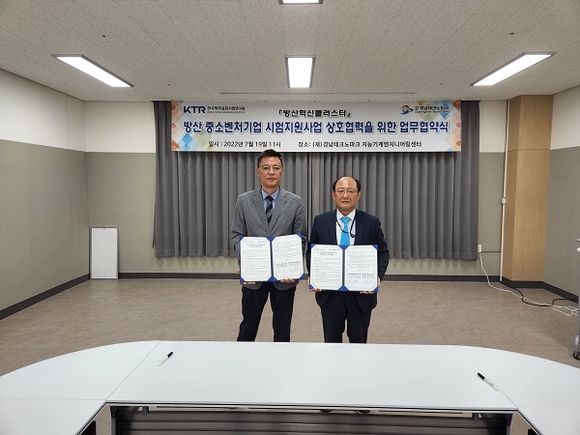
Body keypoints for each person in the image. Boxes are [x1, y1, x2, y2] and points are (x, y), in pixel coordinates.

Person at [231, 149, 306, 342]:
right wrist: (245, 261)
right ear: (258, 171)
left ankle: (281, 360)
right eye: (266, 168)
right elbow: (237, 235)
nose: (271, 172)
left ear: (282, 171)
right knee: (248, 327)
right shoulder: (244, 200)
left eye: (276, 168)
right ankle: (242, 358)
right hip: (254, 278)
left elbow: (301, 238)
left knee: (282, 329)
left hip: (284, 279)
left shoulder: (295, 201)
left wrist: (294, 267)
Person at [307, 176, 389, 343]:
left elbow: (383, 252)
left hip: (361, 294)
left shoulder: (371, 222)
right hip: (330, 293)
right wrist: (313, 274)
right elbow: (312, 251)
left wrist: (377, 276)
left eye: (350, 191)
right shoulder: (321, 221)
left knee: (358, 342)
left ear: (358, 195)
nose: (345, 195)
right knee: (331, 341)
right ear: (333, 194)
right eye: (341, 191)